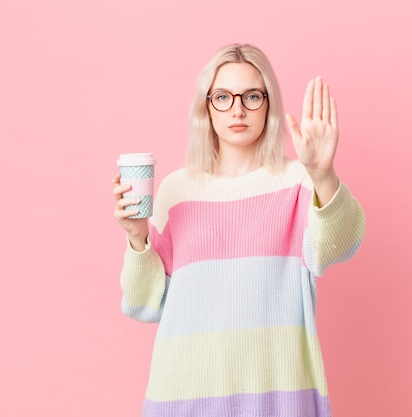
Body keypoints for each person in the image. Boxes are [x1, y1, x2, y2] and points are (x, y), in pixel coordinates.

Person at [112, 43, 366, 417]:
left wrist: (324, 175)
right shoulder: (175, 190)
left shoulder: (297, 181)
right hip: (185, 396)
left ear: (269, 104)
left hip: (278, 399)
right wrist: (137, 236)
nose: (238, 109)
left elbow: (342, 242)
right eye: (223, 97)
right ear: (206, 108)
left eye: (251, 96)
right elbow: (145, 303)